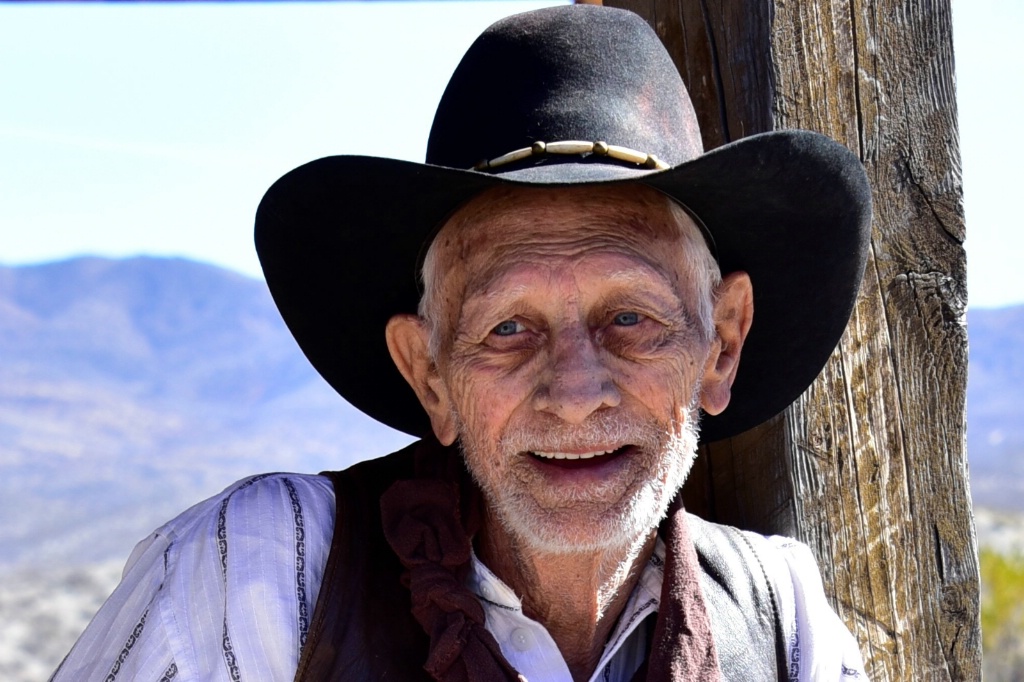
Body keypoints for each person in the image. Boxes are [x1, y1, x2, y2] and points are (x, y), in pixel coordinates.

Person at [52, 5, 873, 681]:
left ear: (722, 345)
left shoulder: (784, 622)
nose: (577, 389)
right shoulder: (262, 580)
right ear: (430, 376)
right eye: (507, 328)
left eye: (630, 319)